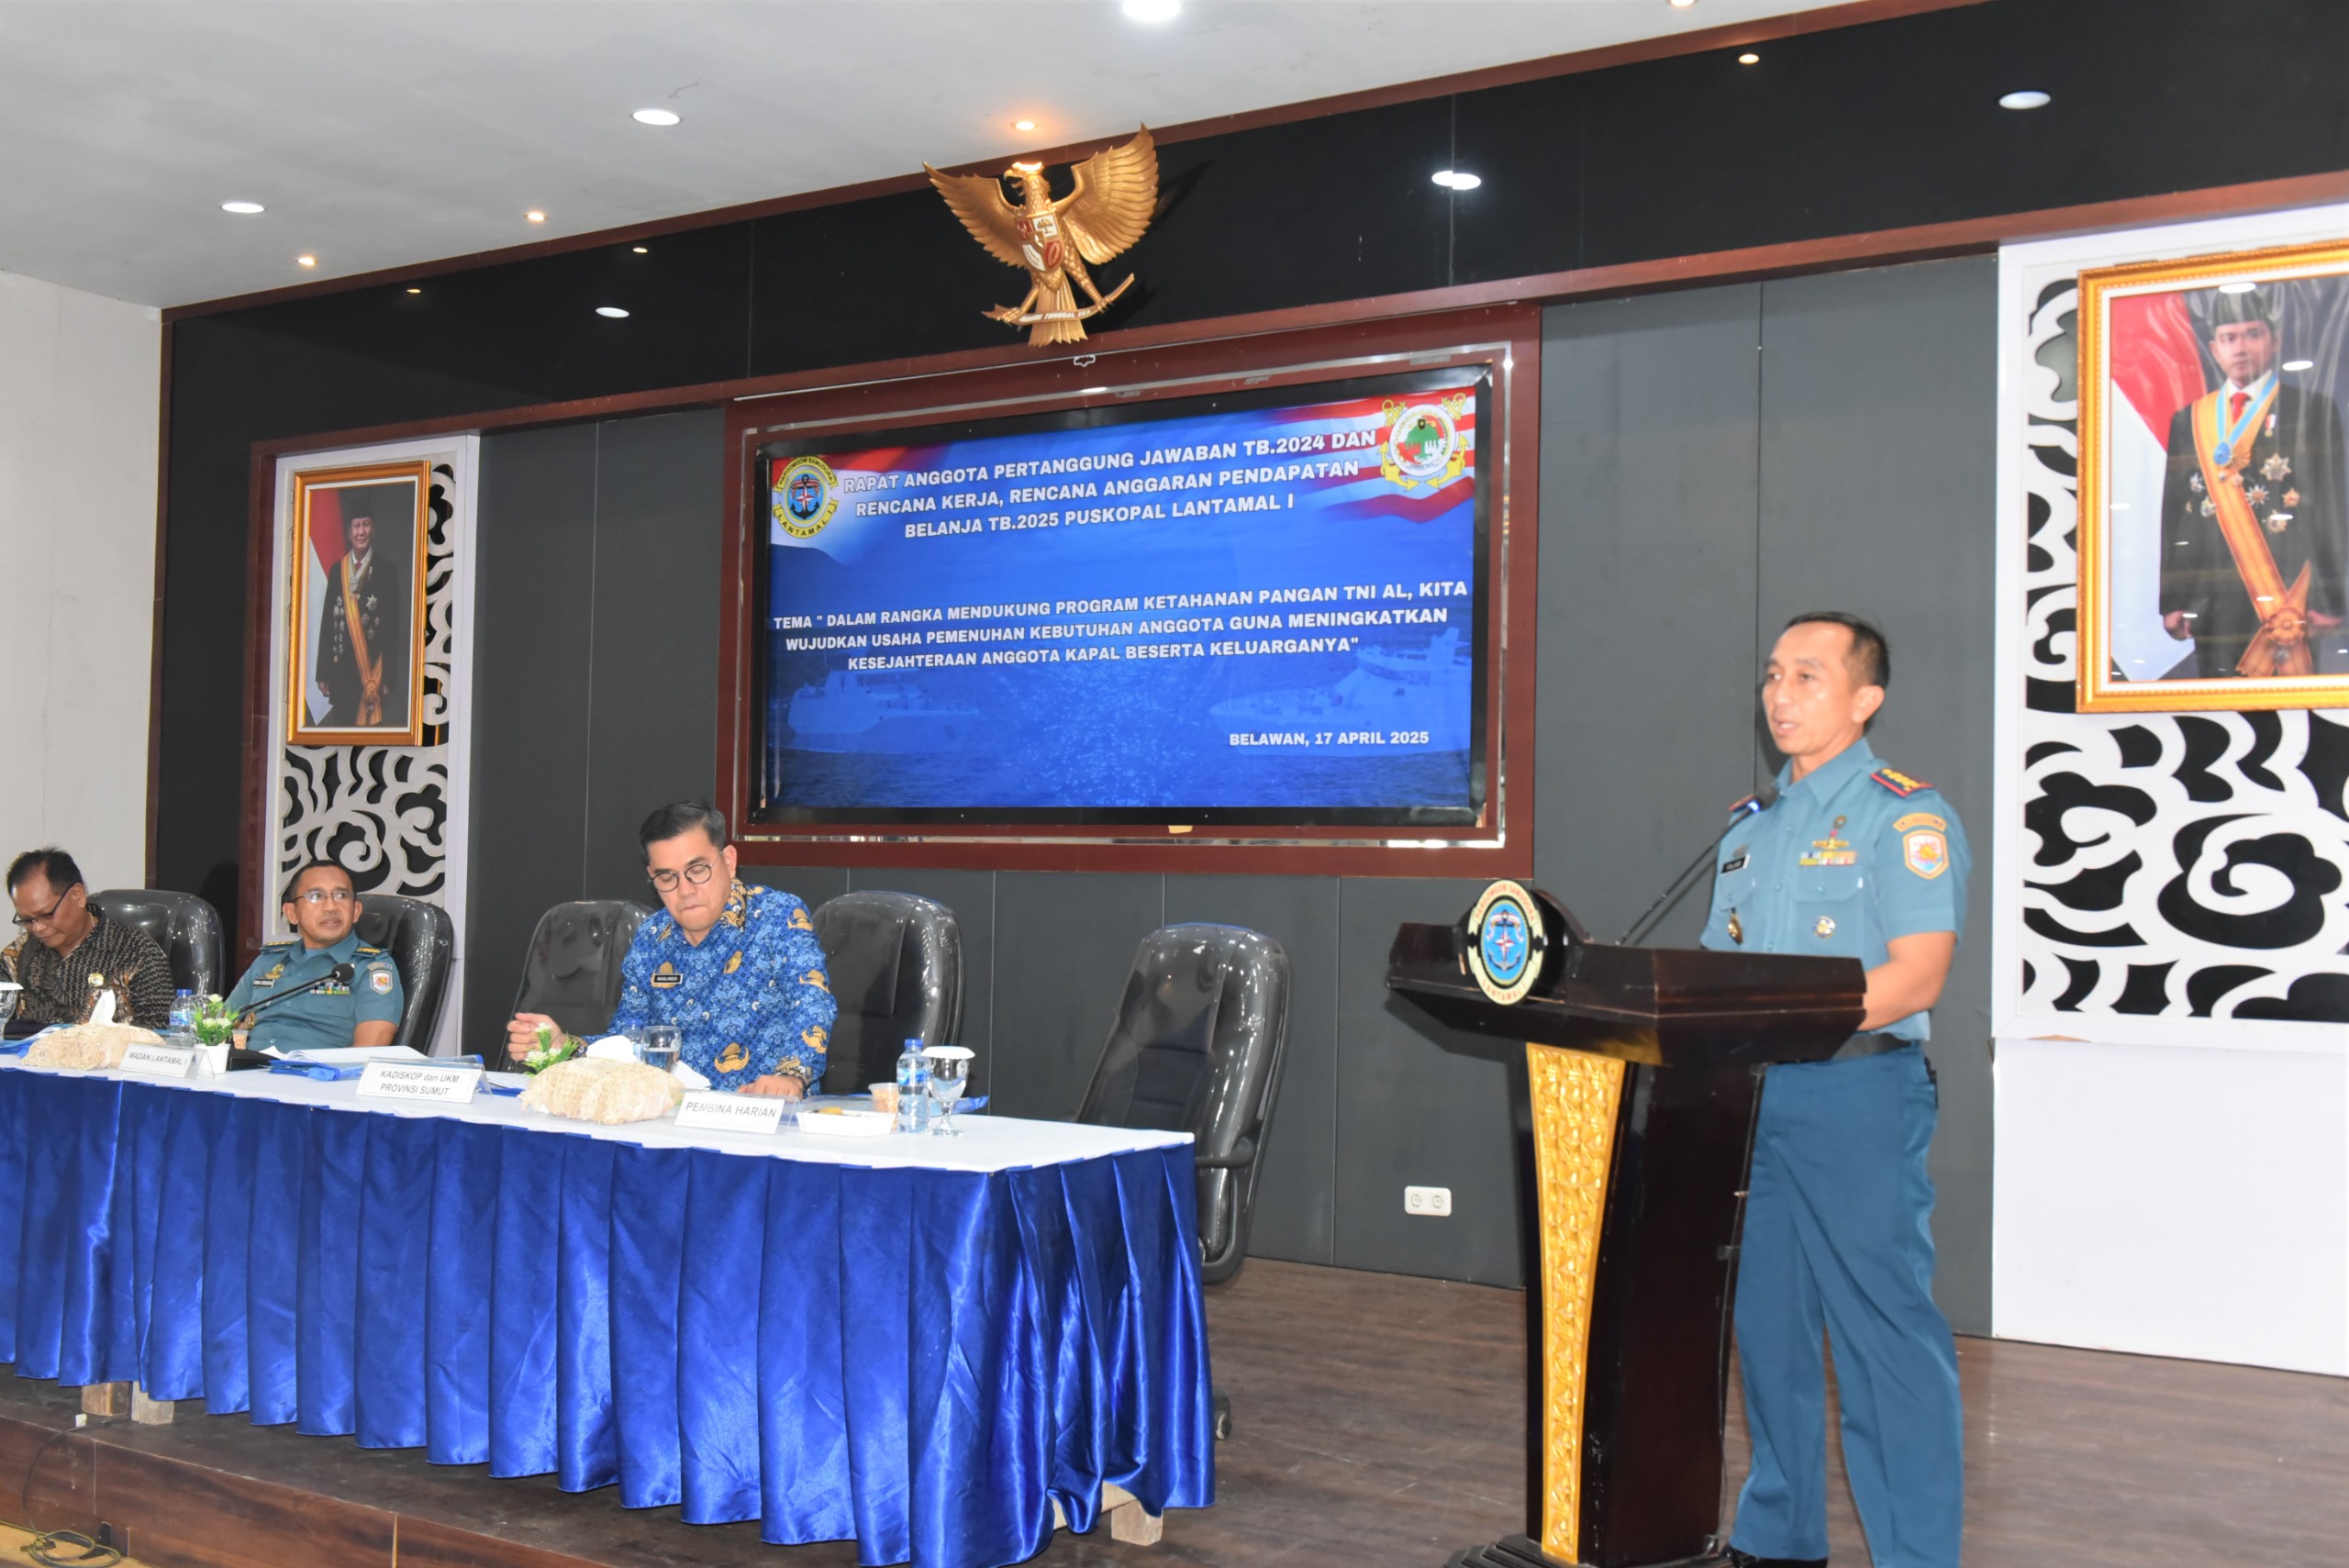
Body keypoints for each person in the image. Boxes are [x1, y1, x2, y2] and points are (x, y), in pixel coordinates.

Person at [1701, 614, 1968, 1568]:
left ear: (1865, 698)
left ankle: (1916, 1555)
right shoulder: (1748, 827)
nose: (1780, 694)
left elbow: (1917, 976)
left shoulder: (1907, 817)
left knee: (1882, 1336)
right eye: (1773, 674)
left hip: (1855, 1096)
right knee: (1767, 1324)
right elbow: (1716, 970)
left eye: (1808, 676)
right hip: (1751, 1102)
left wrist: (1786, 1019)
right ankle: (1778, 1537)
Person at [507, 803, 834, 1097]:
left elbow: (811, 1002)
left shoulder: (777, 915)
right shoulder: (652, 937)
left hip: (760, 1111)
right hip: (671, 1115)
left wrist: (792, 1076)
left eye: (698, 870)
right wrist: (566, 1046)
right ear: (652, 876)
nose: (685, 890)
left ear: (729, 861)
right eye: (667, 877)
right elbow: (629, 1039)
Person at [2157, 287, 2347, 678]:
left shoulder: (2311, 410)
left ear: (2275, 341)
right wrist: (2174, 598)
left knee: (2294, 708)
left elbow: (2332, 507)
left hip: (2291, 589)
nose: (2240, 347)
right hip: (2211, 594)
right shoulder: (2189, 419)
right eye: (2229, 338)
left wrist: (2333, 599)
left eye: (2252, 334)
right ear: (2215, 349)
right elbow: (2176, 513)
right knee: (2220, 703)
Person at [224, 860, 405, 1052]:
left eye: (341, 895)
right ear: (292, 913)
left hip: (316, 1071)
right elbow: (219, 1023)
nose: (331, 907)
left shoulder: (371, 968)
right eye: (316, 896)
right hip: (247, 1067)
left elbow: (368, 1050)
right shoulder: (268, 961)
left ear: (356, 911)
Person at [0, 848, 175, 1030]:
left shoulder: (136, 951)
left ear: (77, 895)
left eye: (46, 915)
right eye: (27, 920)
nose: (37, 928)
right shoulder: (17, 954)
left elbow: (159, 1032)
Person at [316, 499, 409, 728]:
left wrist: (389, 678)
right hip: (340, 675)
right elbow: (328, 623)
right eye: (356, 526)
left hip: (371, 676)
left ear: (373, 528)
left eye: (366, 525)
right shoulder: (337, 571)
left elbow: (392, 630)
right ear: (349, 532)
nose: (361, 532)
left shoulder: (387, 571)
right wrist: (323, 673)